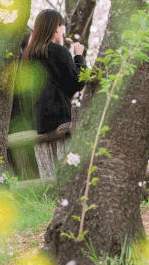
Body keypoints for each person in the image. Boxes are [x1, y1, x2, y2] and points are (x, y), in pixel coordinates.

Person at [22, 9, 85, 177]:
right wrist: (78, 57)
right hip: (59, 118)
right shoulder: (58, 51)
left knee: (47, 173)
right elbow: (77, 83)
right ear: (57, 28)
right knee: (68, 171)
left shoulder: (27, 56)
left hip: (37, 121)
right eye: (62, 27)